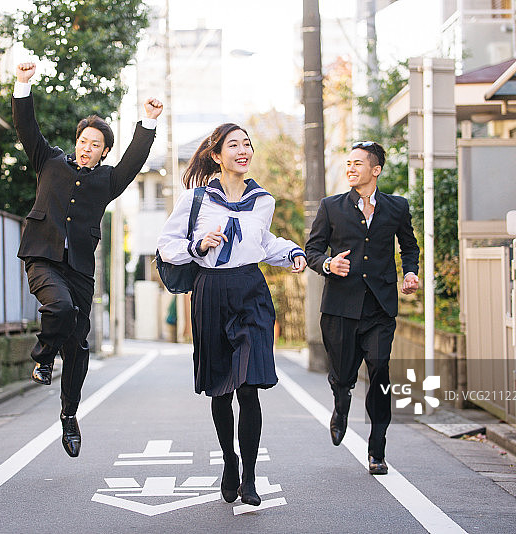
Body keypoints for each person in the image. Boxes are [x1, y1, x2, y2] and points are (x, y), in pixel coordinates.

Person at [13, 62, 162, 457]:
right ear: (76, 140)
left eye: (95, 144)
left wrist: (147, 120)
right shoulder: (49, 161)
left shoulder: (108, 180)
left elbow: (134, 161)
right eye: (84, 140)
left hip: (79, 267)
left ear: (104, 151)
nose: (87, 147)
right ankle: (43, 359)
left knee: (78, 347)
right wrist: (23, 84)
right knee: (58, 307)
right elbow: (27, 127)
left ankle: (68, 415)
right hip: (42, 257)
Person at [157, 124, 307, 506]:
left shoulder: (263, 200)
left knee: (249, 385)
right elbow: (167, 246)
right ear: (216, 155)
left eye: (247, 144)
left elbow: (262, 241)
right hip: (210, 292)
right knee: (221, 389)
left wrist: (292, 252)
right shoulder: (195, 200)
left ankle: (251, 477)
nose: (243, 151)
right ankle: (229, 461)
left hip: (250, 292)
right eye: (233, 145)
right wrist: (198, 244)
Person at [305, 141, 419, 475]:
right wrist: (328, 264)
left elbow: (409, 247)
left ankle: (377, 450)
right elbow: (312, 250)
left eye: (358, 163)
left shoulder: (397, 207)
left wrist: (411, 272)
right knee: (342, 376)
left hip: (380, 307)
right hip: (340, 306)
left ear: (376, 170)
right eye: (348, 163)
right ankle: (341, 407)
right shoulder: (332, 207)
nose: (351, 168)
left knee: (380, 370)